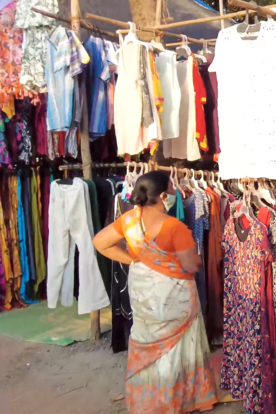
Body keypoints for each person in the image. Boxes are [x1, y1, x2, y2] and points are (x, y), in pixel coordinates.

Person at [93, 171, 218, 413]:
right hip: (174, 292)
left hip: (142, 289)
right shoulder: (174, 226)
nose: (174, 193)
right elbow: (191, 265)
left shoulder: (128, 219)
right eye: (172, 189)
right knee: (178, 343)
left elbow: (100, 242)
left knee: (146, 338)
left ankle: (148, 400)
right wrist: (199, 260)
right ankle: (179, 399)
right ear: (162, 196)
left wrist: (133, 259)